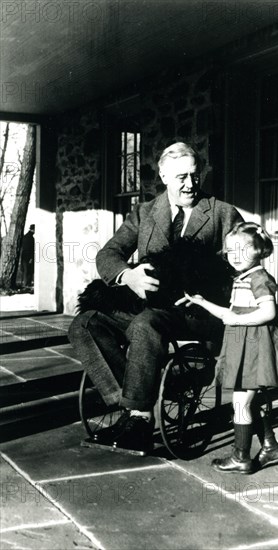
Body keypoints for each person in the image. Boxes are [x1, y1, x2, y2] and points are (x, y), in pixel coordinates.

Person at [68, 142, 243, 455]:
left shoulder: (222, 213)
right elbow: (109, 253)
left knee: (146, 324)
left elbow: (242, 264)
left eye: (194, 175)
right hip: (146, 304)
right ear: (163, 176)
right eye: (181, 177)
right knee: (85, 323)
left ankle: (139, 417)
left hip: (192, 312)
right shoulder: (145, 212)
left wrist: (208, 285)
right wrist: (128, 276)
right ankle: (134, 407)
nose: (190, 184)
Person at [184, 221, 278, 474]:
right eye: (230, 251)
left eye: (242, 250)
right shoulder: (243, 278)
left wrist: (238, 320)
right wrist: (202, 302)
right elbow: (230, 313)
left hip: (254, 348)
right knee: (248, 401)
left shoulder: (259, 278)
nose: (235, 257)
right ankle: (271, 447)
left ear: (259, 250)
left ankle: (241, 457)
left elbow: (269, 312)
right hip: (243, 346)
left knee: (241, 402)